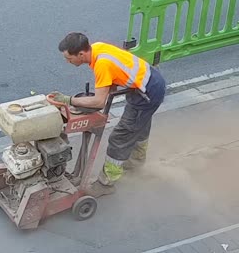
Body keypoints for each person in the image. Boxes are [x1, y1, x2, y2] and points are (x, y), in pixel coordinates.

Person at [50, 32, 166, 198]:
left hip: (146, 94)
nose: (68, 62)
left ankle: (106, 183)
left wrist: (69, 100)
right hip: (149, 82)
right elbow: (111, 78)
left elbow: (99, 102)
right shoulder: (96, 49)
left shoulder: (101, 64)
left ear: (81, 54)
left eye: (69, 59)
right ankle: (136, 165)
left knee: (119, 138)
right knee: (139, 129)